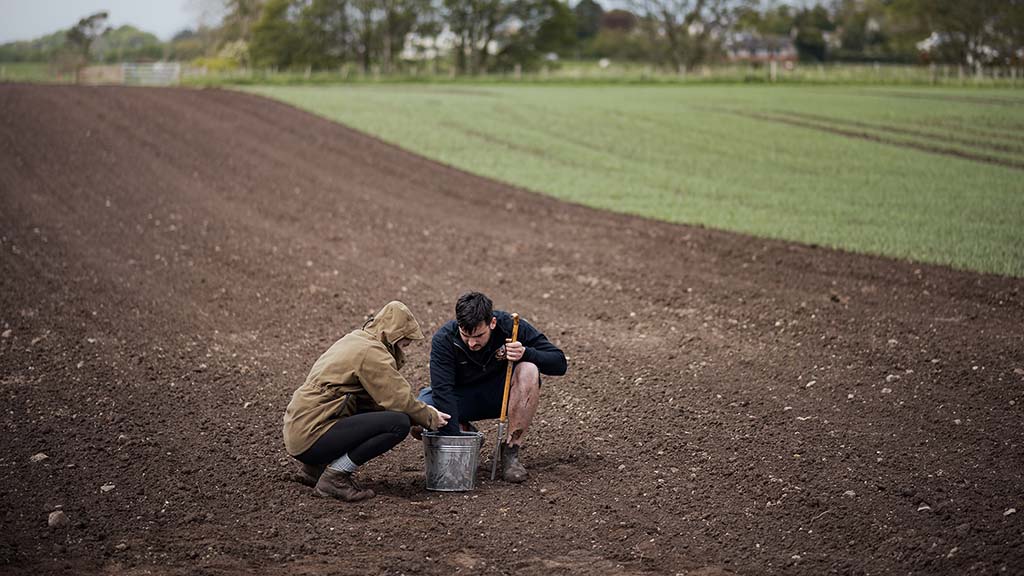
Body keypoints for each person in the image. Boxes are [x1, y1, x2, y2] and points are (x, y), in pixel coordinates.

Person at [282, 301, 450, 502]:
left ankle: (313, 469)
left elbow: (372, 403)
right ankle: (335, 477)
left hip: (300, 427)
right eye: (406, 341)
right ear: (394, 334)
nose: (407, 346)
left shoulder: (356, 340)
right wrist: (430, 417)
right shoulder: (371, 353)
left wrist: (418, 415)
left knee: (386, 414)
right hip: (311, 434)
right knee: (398, 424)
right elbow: (399, 399)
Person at [417, 292, 567, 483]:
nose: (472, 343)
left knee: (529, 369)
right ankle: (466, 434)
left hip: (503, 395)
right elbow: (443, 391)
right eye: (466, 335)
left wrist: (526, 352)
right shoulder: (444, 339)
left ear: (492, 323)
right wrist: (457, 446)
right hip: (461, 398)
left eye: (479, 335)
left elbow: (560, 363)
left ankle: (511, 453)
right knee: (419, 413)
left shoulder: (511, 327)